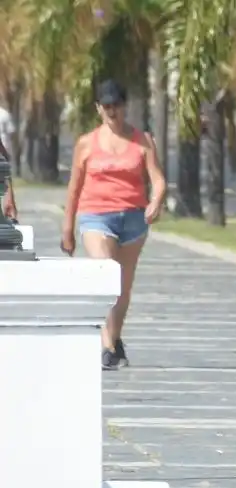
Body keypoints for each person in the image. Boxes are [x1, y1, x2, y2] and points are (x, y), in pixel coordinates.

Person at [62, 79, 167, 370]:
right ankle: (106, 345)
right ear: (98, 108)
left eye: (116, 105)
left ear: (125, 106)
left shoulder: (142, 141)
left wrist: (156, 201)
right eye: (106, 106)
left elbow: (157, 179)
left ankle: (115, 340)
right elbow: (74, 187)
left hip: (134, 218)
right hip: (96, 216)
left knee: (122, 286)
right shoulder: (86, 143)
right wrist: (67, 229)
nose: (112, 111)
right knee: (104, 274)